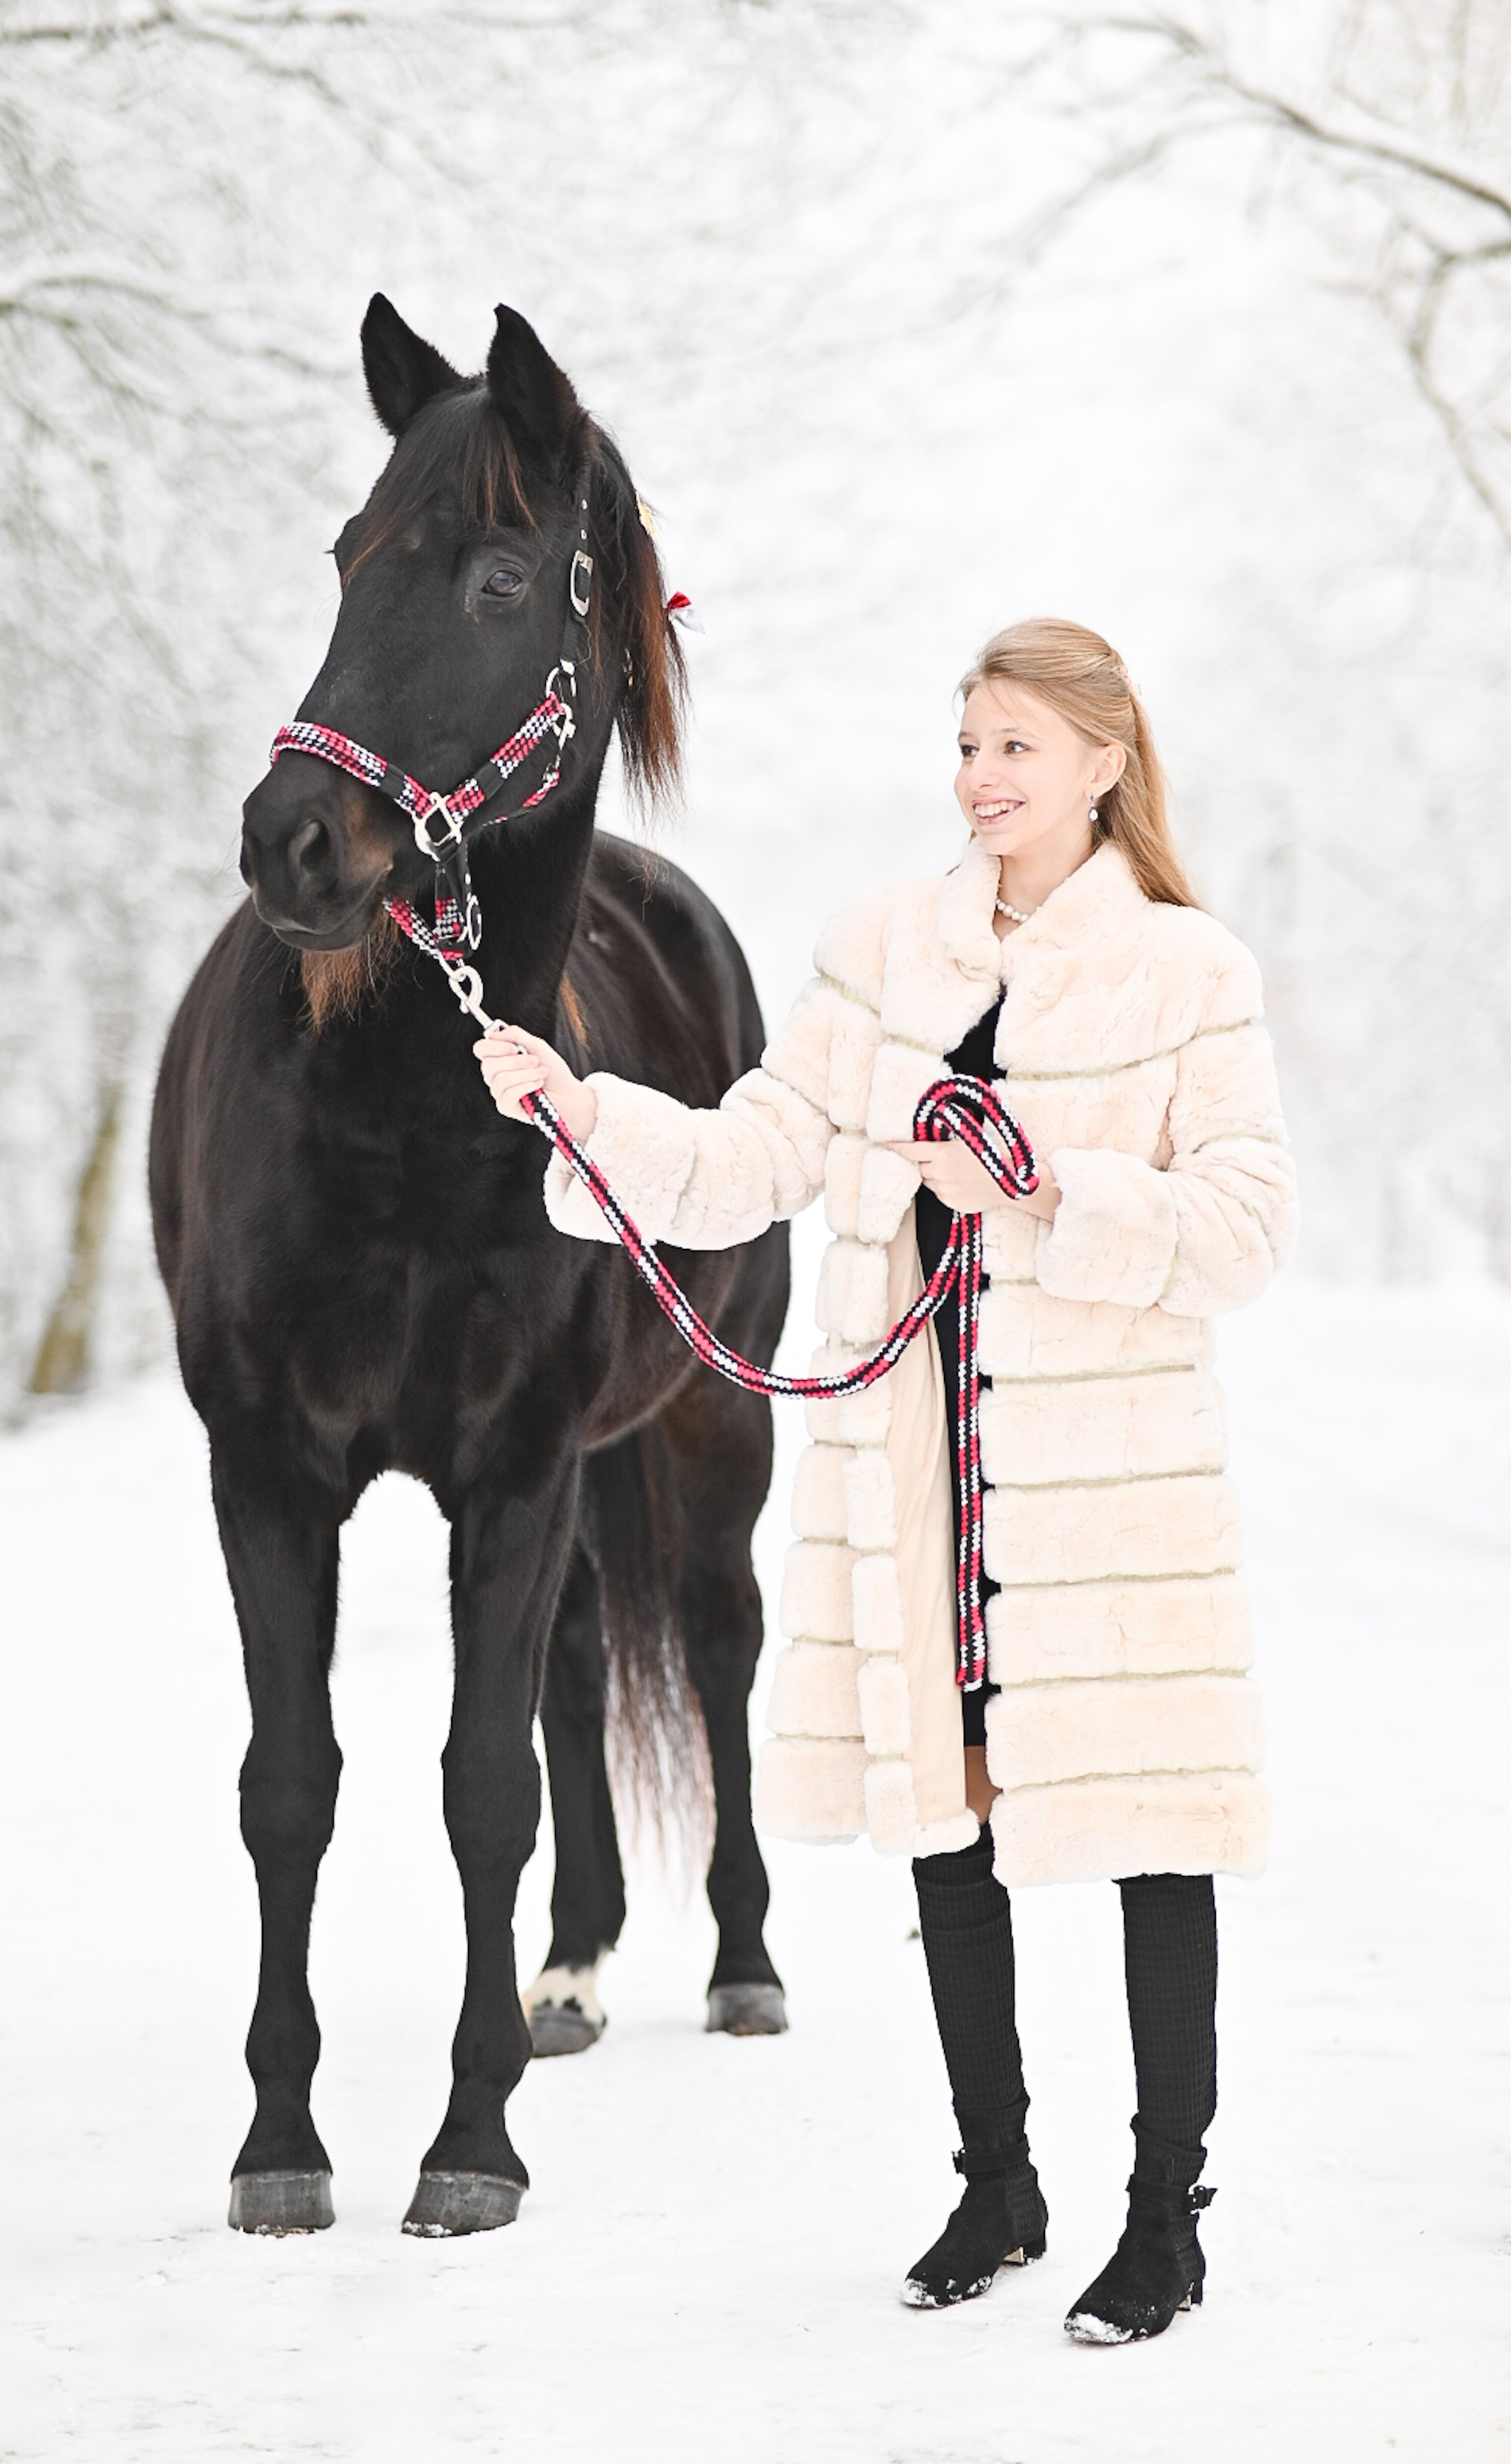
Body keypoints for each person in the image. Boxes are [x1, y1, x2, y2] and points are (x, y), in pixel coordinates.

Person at [474, 617, 1296, 2344]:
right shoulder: (879, 956)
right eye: (968, 742)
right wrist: (584, 1112)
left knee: (1154, 1842)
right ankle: (997, 2180)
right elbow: (751, 1155)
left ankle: (1167, 2218)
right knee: (948, 1822)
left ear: (1100, 762)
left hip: (1101, 1489)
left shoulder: (1187, 973)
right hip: (925, 1468)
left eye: (1015, 746)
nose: (979, 777)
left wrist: (1053, 1188)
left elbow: (1239, 1231)